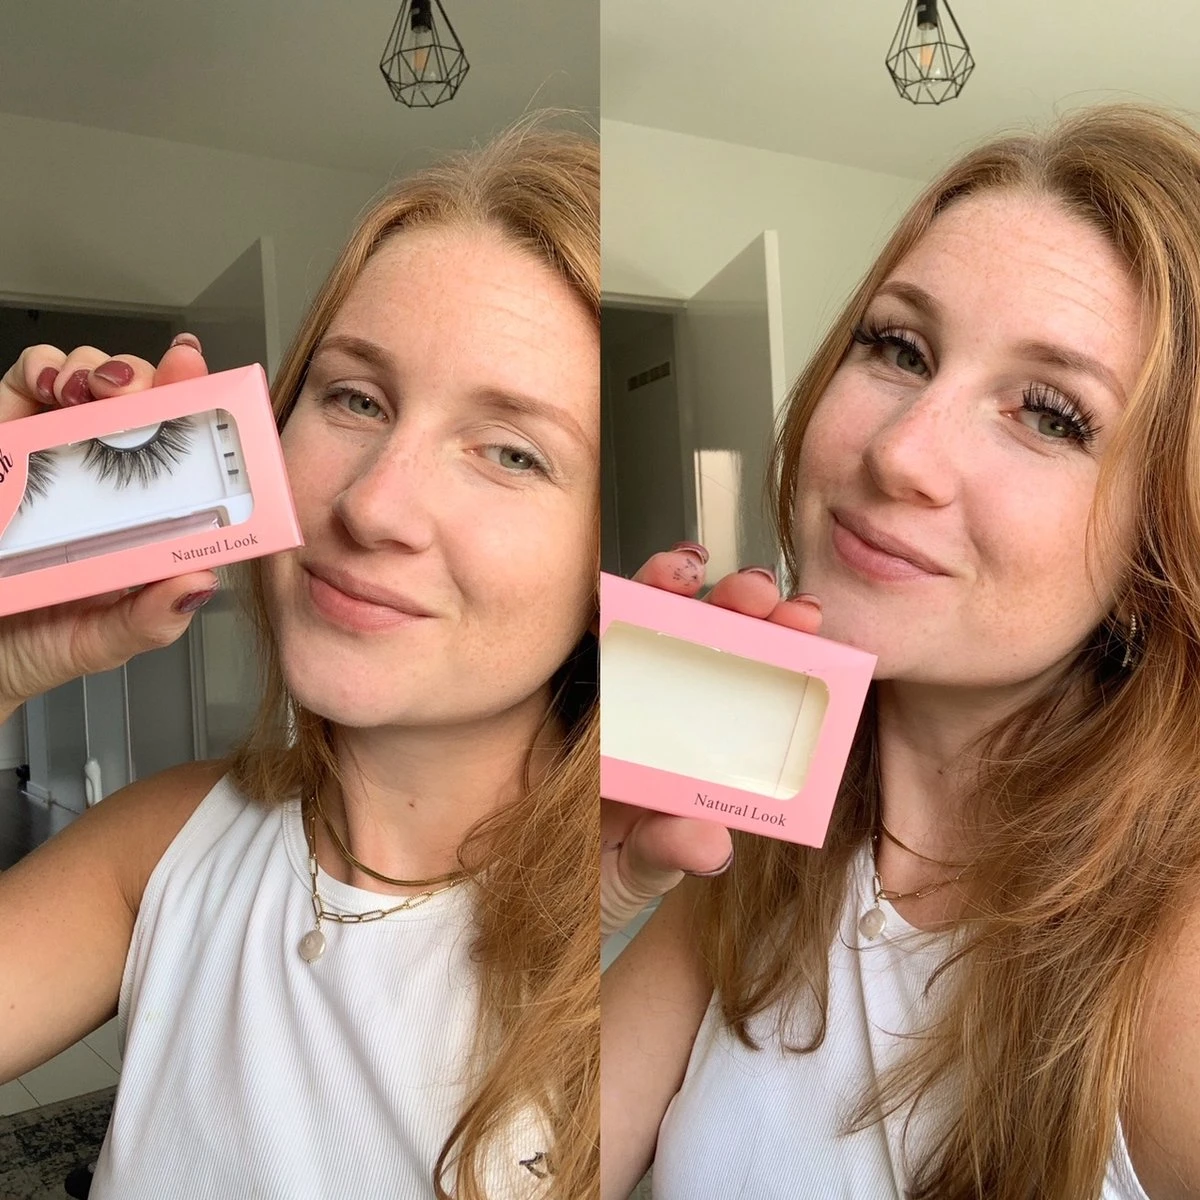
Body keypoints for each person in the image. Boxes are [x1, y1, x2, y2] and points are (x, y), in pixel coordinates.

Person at [601, 104, 1200, 1200]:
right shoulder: (755, 833)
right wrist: (556, 894)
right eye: (899, 348)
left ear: (1160, 543)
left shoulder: (1176, 975)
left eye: (1051, 415)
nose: (899, 452)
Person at [0, 122, 599, 1200]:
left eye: (512, 452)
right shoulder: (165, 843)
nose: (371, 505)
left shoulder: (640, 933)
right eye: (355, 398)